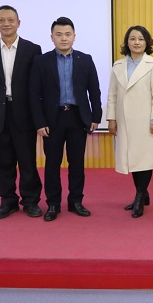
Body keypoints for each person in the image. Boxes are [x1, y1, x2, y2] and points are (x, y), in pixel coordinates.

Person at [30, 17, 102, 222]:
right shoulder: (41, 61)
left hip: (77, 117)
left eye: (67, 34)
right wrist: (39, 122)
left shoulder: (85, 59)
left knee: (76, 162)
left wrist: (95, 116)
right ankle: (53, 204)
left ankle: (75, 201)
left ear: (74, 36)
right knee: (52, 163)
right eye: (59, 34)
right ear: (52, 37)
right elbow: (34, 94)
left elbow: (94, 91)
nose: (64, 38)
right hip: (52, 120)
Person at [0, 5, 43, 219]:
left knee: (27, 160)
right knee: (2, 161)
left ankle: (31, 201)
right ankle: (8, 201)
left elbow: (36, 84)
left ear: (18, 23)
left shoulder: (32, 49)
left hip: (23, 113)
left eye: (10, 20)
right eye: (2, 20)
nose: (6, 23)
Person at [107, 25, 153, 218]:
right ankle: (142, 193)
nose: (136, 42)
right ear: (127, 42)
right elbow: (112, 95)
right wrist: (111, 119)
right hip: (124, 122)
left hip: (145, 122)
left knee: (144, 158)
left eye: (140, 39)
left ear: (147, 42)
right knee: (131, 158)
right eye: (132, 39)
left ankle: (140, 196)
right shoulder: (118, 66)